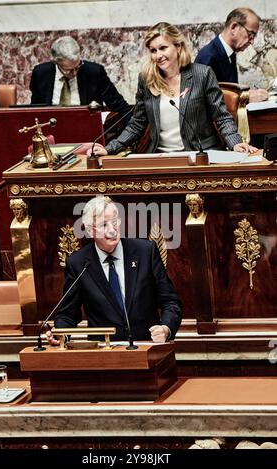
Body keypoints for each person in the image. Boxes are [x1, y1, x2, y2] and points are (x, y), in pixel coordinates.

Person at [89, 22, 256, 158]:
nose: (158, 55)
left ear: (177, 47)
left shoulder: (202, 74)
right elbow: (136, 124)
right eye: (153, 50)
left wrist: (235, 142)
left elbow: (221, 117)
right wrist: (110, 148)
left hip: (201, 155)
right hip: (161, 157)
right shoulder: (147, 79)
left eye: (163, 48)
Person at [47, 195, 182, 344]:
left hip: (146, 347)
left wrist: (166, 328)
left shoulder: (145, 252)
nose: (112, 230)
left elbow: (170, 301)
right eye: (104, 225)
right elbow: (68, 314)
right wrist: (60, 334)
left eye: (114, 222)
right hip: (103, 353)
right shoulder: (78, 264)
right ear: (91, 231)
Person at [30, 35, 132, 126]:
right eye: (68, 70)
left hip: (87, 131)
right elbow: (34, 111)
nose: (74, 73)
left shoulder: (94, 72)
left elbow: (121, 107)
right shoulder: (41, 74)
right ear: (56, 62)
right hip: (50, 131)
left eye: (77, 66)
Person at [195, 8, 268, 103]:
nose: (252, 41)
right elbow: (204, 100)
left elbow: (226, 91)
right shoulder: (208, 57)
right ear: (233, 27)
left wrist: (248, 94)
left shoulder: (229, 53)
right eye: (250, 34)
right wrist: (245, 97)